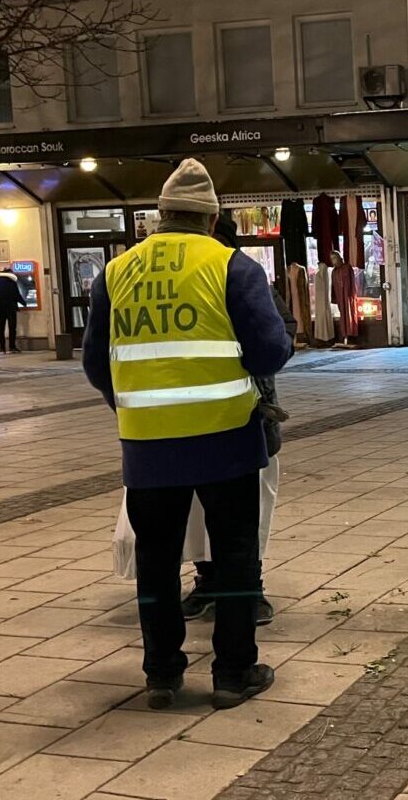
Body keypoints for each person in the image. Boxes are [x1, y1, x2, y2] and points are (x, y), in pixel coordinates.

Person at [82, 158, 292, 711]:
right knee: (236, 555)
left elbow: (95, 362)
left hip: (148, 448)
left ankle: (161, 673)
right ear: (210, 217)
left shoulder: (116, 271)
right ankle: (233, 672)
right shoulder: (232, 267)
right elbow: (272, 351)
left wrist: (131, 405)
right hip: (227, 441)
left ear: (161, 215)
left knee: (156, 560)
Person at [175, 212, 295, 627]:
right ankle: (208, 582)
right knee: (196, 515)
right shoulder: (180, 281)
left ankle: (250, 590)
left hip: (248, 423)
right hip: (186, 424)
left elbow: (282, 335)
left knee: (248, 514)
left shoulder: (246, 276)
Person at [0, 266, 26, 353]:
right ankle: (12, 346)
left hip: (0, 308)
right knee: (12, 327)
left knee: (1, 327)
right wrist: (24, 303)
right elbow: (17, 295)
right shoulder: (11, 283)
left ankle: (2, 348)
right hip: (11, 308)